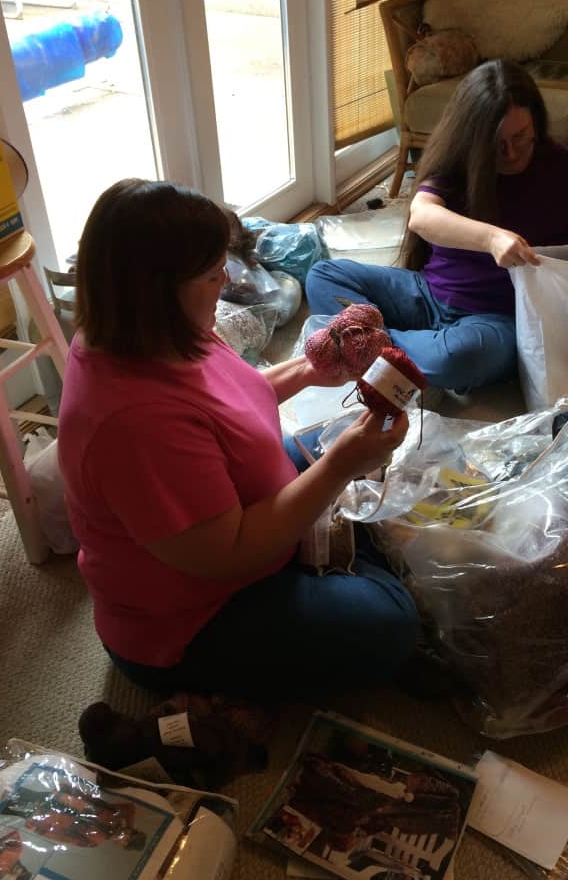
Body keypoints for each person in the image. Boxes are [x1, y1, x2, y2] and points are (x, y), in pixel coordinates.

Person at [57, 179, 418, 700]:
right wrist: (338, 468)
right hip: (195, 613)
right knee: (392, 624)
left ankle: (331, 545)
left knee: (348, 447)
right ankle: (334, 561)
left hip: (238, 510)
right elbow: (230, 552)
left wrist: (309, 371)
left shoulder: (156, 330)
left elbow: (230, 400)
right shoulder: (131, 421)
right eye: (210, 273)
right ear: (157, 291)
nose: (225, 277)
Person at [306, 59, 568, 393]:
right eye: (497, 145)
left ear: (536, 123)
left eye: (521, 137)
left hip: (501, 320)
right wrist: (492, 238)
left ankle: (363, 346)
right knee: (323, 276)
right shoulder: (461, 162)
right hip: (427, 294)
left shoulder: (567, 167)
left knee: (453, 360)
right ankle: (386, 350)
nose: (511, 153)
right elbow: (422, 216)